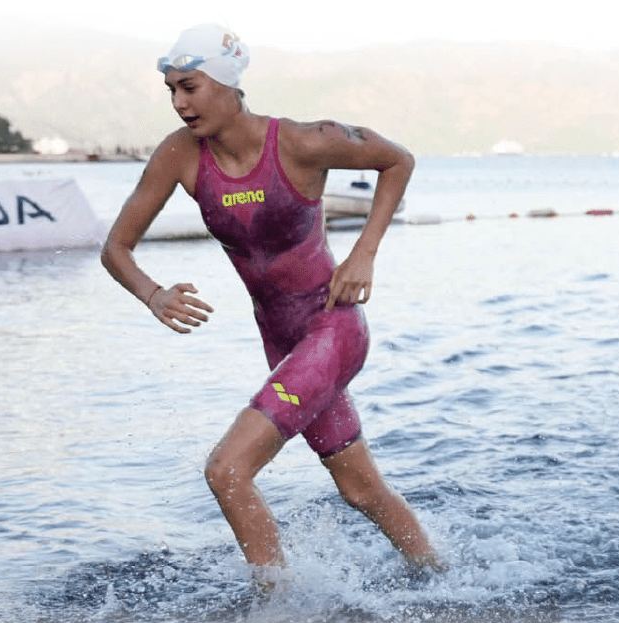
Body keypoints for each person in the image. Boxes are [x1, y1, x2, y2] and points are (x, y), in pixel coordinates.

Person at [101, 24, 444, 582]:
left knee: (227, 470)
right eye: (171, 90)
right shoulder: (180, 155)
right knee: (360, 489)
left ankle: (275, 612)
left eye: (190, 87)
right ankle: (441, 576)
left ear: (227, 83)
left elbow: (397, 160)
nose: (179, 103)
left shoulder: (304, 141)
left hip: (333, 329)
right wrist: (153, 294)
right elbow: (116, 248)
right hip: (282, 343)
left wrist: (364, 253)